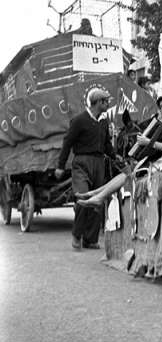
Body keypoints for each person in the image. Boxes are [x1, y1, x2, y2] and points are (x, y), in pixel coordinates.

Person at [55, 88, 116, 250]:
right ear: (98, 102)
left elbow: (107, 145)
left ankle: (90, 239)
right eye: (105, 101)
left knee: (97, 201)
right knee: (82, 198)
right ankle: (77, 235)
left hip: (99, 164)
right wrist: (60, 166)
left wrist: (116, 157)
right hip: (81, 163)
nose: (108, 104)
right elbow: (67, 143)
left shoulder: (103, 122)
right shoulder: (79, 120)